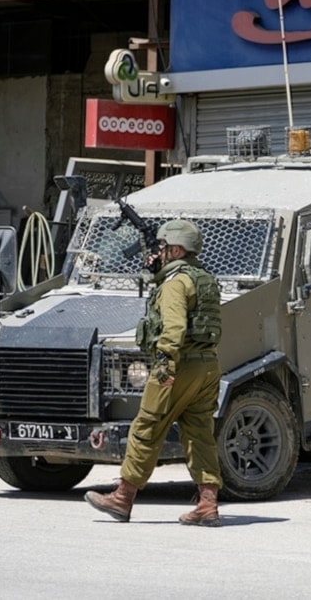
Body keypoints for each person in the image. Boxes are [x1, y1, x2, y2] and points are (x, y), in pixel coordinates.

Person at [85, 219, 224, 527]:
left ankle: (122, 497)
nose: (158, 253)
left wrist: (165, 364)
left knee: (146, 427)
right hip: (207, 366)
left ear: (176, 249)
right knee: (200, 433)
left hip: (179, 365)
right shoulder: (204, 279)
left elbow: (174, 327)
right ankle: (207, 503)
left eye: (163, 248)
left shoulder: (175, 284)